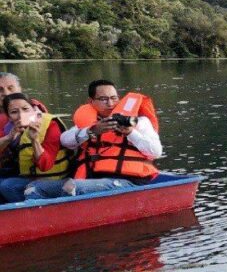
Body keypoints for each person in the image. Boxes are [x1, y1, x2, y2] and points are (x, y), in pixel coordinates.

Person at [25, 79, 162, 200]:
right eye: (103, 99)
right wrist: (91, 131)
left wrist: (131, 133)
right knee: (35, 187)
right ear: (91, 102)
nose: (110, 103)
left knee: (72, 187)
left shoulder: (139, 122)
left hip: (127, 181)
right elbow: (65, 140)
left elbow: (156, 152)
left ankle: (64, 219)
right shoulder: (89, 123)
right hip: (92, 180)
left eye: (114, 98)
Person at [0, 93, 71, 202]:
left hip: (54, 180)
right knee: (5, 185)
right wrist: (9, 138)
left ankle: (29, 215)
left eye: (25, 109)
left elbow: (45, 165)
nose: (21, 115)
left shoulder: (50, 125)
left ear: (33, 110)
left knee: (19, 188)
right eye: (14, 112)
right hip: (29, 178)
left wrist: (34, 140)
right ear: (8, 116)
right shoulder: (9, 128)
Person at [0, 72, 48, 177]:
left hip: (27, 170)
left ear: (20, 88)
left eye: (11, 88)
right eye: (0, 90)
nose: (6, 93)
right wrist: (8, 138)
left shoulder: (34, 110)